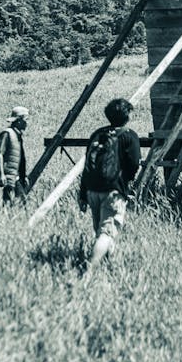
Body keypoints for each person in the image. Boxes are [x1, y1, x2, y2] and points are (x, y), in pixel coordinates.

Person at [79, 98, 140, 268]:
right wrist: (126, 182)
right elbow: (134, 163)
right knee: (106, 233)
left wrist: (82, 194)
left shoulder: (97, 134)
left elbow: (87, 165)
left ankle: (109, 267)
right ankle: (90, 269)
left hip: (92, 190)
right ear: (127, 116)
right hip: (113, 192)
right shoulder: (129, 135)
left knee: (101, 231)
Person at [0, 105, 29, 207]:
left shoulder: (17, 136)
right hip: (6, 177)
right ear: (18, 121)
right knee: (7, 203)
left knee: (21, 202)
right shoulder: (7, 134)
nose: (27, 123)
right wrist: (1, 175)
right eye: (25, 120)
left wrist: (24, 176)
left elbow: (19, 159)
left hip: (14, 176)